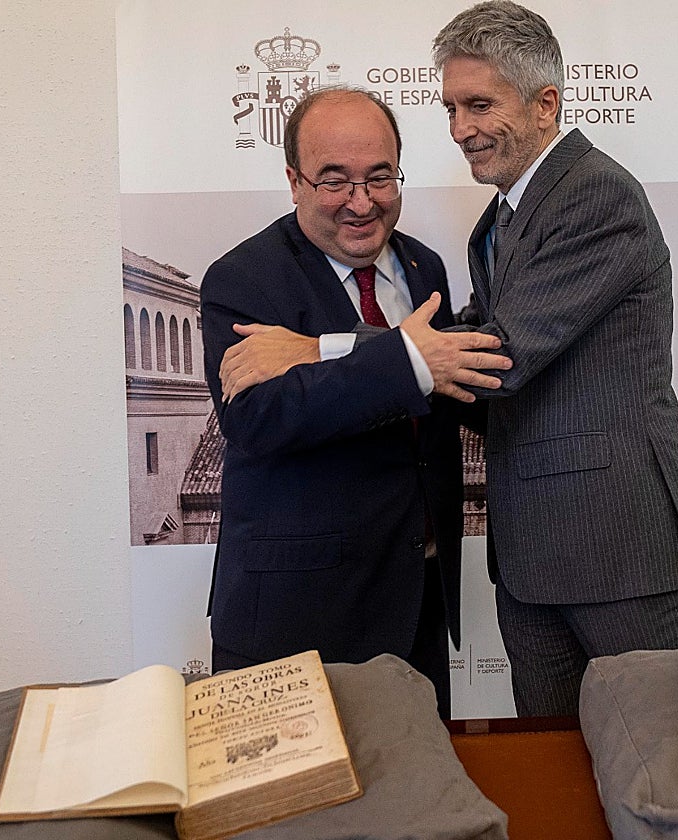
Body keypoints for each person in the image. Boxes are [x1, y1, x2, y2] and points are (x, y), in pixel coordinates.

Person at [425, 0, 678, 716]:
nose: (461, 129)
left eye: (478, 105)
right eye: (450, 109)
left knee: (676, 781)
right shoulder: (501, 218)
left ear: (545, 103)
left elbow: (498, 359)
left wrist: (324, 353)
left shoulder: (596, 194)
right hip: (532, 565)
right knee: (561, 786)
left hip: (623, 553)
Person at [199, 87, 509, 717]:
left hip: (419, 598)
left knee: (419, 798)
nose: (362, 204)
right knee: (294, 812)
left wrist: (323, 348)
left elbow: (440, 390)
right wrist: (405, 358)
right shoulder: (242, 279)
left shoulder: (424, 268)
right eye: (335, 182)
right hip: (296, 614)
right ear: (294, 181)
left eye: (380, 178)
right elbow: (259, 419)